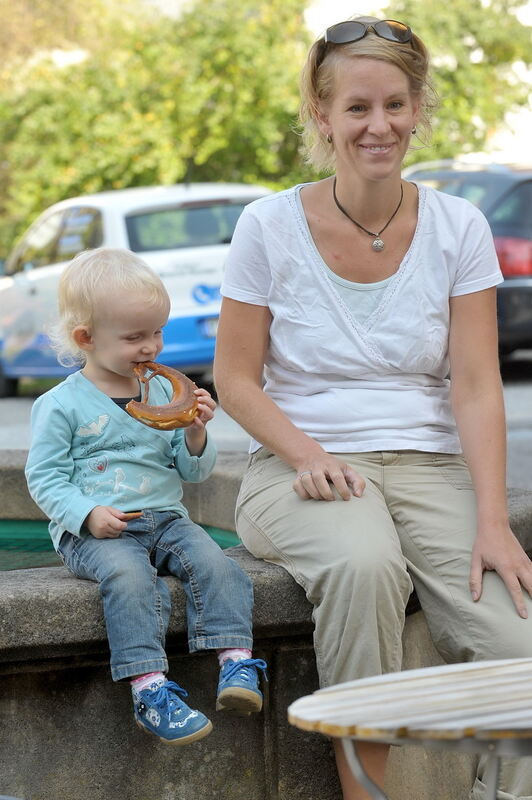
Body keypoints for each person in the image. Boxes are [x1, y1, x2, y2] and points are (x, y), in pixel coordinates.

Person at [213, 16, 532, 800]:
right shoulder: (268, 225)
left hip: (431, 468)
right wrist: (307, 453)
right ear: (322, 116)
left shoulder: (459, 225)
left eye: (395, 104)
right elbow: (236, 378)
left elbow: (476, 386)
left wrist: (493, 521)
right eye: (357, 108)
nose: (378, 125)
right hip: (301, 469)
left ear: (418, 107)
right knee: (363, 566)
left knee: (515, 645)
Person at [25, 247, 267, 746]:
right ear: (85, 339)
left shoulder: (164, 396)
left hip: (165, 518)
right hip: (97, 530)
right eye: (134, 336)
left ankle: (236, 662)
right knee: (130, 577)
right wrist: (87, 514)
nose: (151, 346)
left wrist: (197, 432)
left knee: (218, 563)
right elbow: (44, 477)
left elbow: (192, 470)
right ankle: (148, 688)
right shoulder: (61, 404)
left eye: (156, 332)